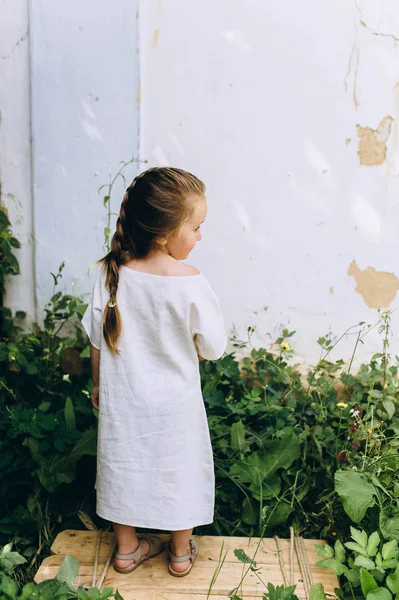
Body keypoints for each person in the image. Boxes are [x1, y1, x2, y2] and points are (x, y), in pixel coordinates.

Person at [82, 167, 226, 577]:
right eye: (197, 227)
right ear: (164, 234)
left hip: (123, 399)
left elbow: (96, 339)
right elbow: (213, 348)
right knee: (180, 466)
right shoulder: (191, 282)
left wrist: (97, 385)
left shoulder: (111, 273)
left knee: (122, 463)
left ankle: (126, 549)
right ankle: (180, 552)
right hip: (176, 404)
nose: (201, 236)